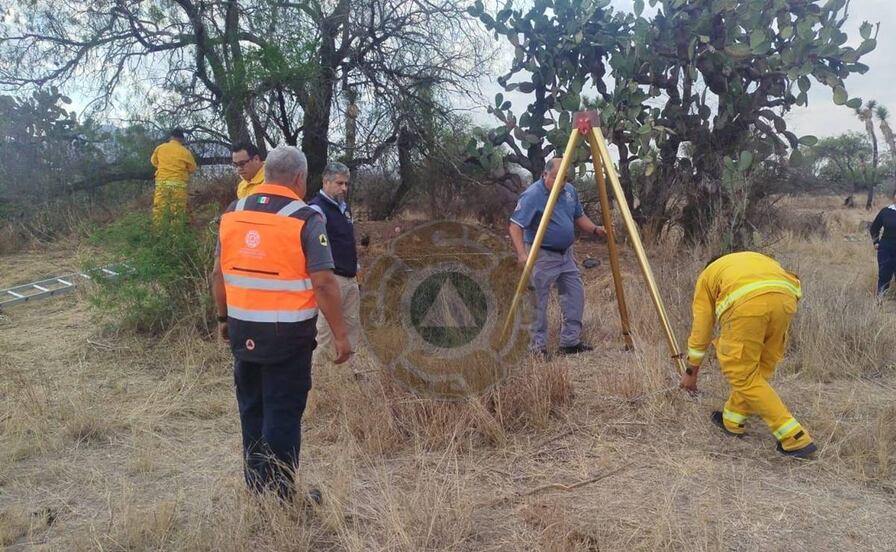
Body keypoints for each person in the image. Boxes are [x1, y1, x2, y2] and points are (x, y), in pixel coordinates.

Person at [211, 145, 352, 501]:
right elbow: (323, 282)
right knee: (283, 412)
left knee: (252, 410)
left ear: (267, 172)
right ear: (300, 178)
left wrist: (223, 318)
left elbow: (218, 273)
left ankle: (257, 487)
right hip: (288, 337)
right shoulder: (306, 217)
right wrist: (340, 335)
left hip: (243, 332)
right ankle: (283, 494)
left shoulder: (234, 211)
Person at [680, 251, 816, 459]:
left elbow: (702, 330)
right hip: (786, 299)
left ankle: (794, 437)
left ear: (709, 266)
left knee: (742, 374)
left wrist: (691, 372)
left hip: (749, 305)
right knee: (760, 368)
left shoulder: (708, 275)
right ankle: (733, 420)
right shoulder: (749, 259)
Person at [508, 157, 606, 357]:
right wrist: (522, 254)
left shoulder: (570, 191)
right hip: (541, 255)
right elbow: (515, 225)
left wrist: (596, 229)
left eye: (564, 178)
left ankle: (570, 341)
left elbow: (579, 216)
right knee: (538, 301)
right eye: (556, 177)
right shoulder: (533, 195)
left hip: (567, 255)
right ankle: (537, 349)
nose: (561, 182)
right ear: (545, 174)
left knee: (574, 295)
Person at [308, 161, 362, 362]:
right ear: (326, 182)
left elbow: (347, 240)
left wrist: (357, 269)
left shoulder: (344, 208)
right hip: (330, 279)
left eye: (346, 184)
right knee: (324, 330)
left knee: (351, 326)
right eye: (339, 183)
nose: (344, 188)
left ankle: (349, 374)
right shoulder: (316, 209)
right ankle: (317, 377)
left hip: (350, 278)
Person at [149, 128, 197, 224]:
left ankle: (158, 234)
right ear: (182, 139)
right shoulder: (185, 152)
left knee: (159, 211)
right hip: (178, 186)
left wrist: (165, 166)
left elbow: (154, 162)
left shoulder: (160, 148)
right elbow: (192, 168)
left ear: (171, 137)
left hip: (162, 185)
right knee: (177, 212)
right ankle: (175, 236)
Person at [870, 190, 896, 295]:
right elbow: (874, 227)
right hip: (886, 247)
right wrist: (876, 242)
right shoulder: (885, 211)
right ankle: (880, 298)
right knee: (884, 273)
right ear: (893, 197)